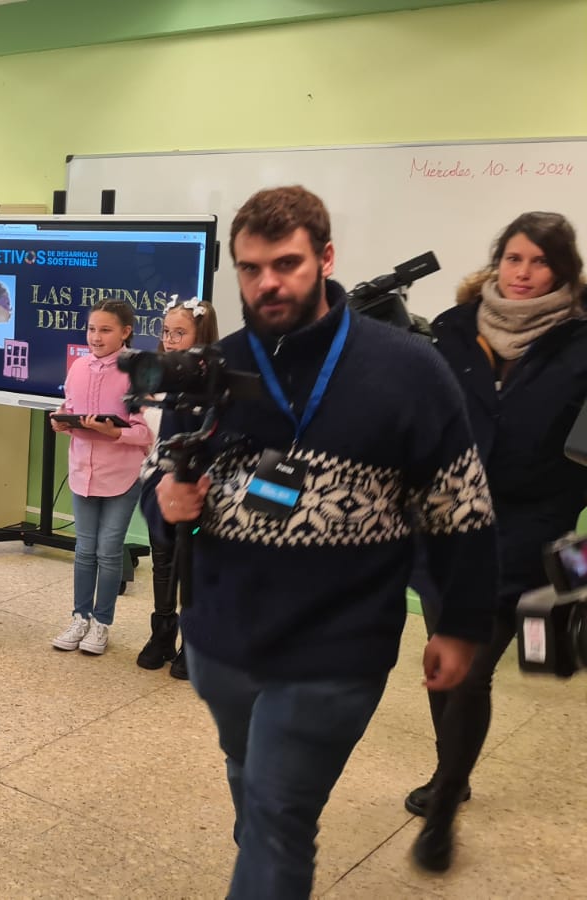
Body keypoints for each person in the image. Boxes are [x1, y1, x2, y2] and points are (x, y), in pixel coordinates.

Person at [147, 186, 497, 898]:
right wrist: (171, 500)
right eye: (249, 269)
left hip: (334, 648)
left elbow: (460, 510)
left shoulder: (407, 370)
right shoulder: (216, 365)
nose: (266, 282)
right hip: (223, 642)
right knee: (255, 793)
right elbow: (168, 496)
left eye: (286, 264)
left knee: (278, 815)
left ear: (326, 258)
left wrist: (460, 627)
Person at [405, 211, 587, 871]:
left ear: (562, 271)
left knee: (473, 670)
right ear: (498, 260)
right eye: (514, 258)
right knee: (440, 666)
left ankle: (446, 803)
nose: (523, 273)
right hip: (444, 526)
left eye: (540, 262)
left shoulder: (581, 344)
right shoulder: (452, 332)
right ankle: (449, 768)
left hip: (527, 534)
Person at [49, 299, 153, 657]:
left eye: (105, 330)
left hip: (121, 475)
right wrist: (62, 419)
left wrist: (114, 434)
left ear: (125, 332)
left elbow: (146, 433)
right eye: (92, 329)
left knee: (109, 552)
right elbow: (70, 408)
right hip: (82, 471)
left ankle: (101, 624)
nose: (96, 336)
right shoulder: (78, 367)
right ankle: (80, 616)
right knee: (84, 550)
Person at [135, 296, 220, 677]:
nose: (170, 341)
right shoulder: (158, 377)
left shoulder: (212, 383)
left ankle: (193, 641)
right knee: (163, 560)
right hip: (160, 480)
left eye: (180, 333)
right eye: (166, 332)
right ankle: (161, 632)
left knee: (194, 565)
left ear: (201, 336)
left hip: (197, 486)